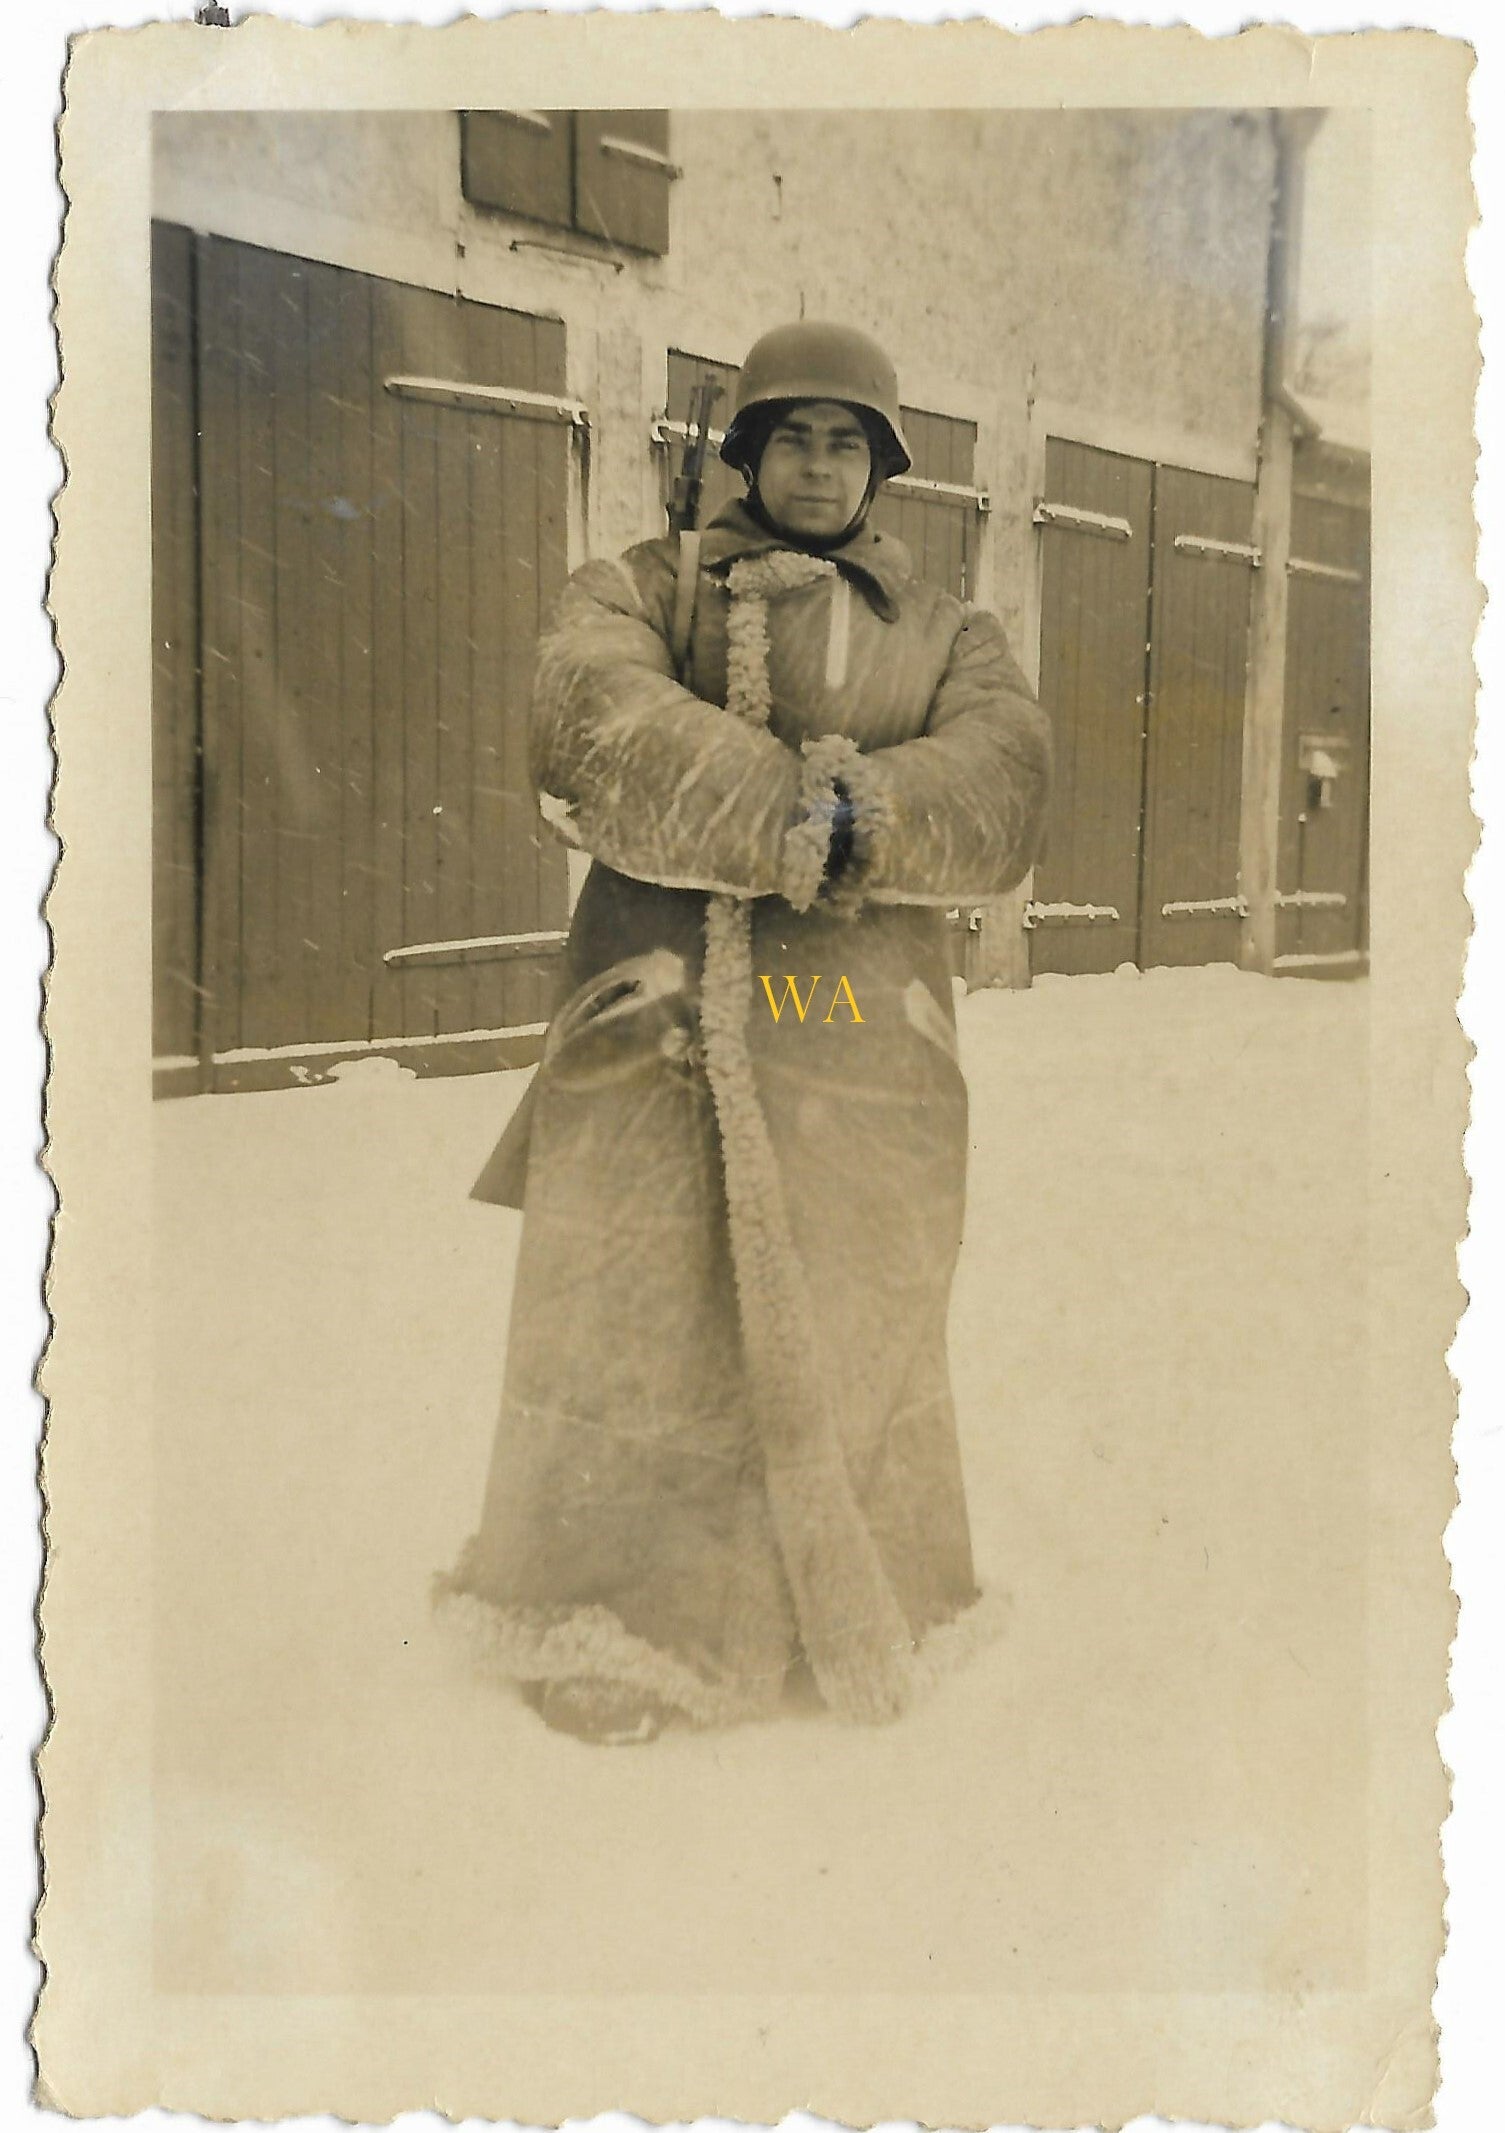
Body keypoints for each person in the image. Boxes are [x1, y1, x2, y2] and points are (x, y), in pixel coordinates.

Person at [436, 321, 1052, 1744]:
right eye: (792, 438)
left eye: (846, 443)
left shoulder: (948, 631)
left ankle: (845, 1606)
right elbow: (587, 713)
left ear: (880, 469)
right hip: (652, 1003)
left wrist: (868, 818)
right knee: (631, 1310)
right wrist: (786, 809)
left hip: (850, 1020)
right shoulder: (646, 586)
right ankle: (615, 1621)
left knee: (850, 1300)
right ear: (749, 454)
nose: (818, 467)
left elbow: (1004, 776)